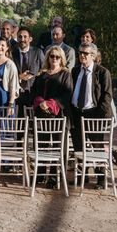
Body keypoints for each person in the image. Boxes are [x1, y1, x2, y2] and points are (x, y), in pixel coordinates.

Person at [70, 42, 114, 189]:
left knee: (97, 147)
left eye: (85, 53)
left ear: (93, 56)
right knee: (78, 147)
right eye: (80, 52)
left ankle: (101, 180)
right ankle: (82, 177)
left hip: (94, 114)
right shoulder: (75, 71)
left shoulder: (102, 72)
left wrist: (99, 115)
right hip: (77, 112)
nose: (82, 55)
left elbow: (107, 96)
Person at [30, 45, 73, 188]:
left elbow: (68, 94)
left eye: (57, 57)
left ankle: (54, 178)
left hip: (57, 116)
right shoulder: (41, 75)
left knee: (57, 147)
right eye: (52, 56)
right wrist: (41, 102)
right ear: (48, 57)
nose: (54, 59)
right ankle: (40, 175)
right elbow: (34, 92)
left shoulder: (66, 74)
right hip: (41, 115)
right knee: (40, 145)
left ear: (62, 59)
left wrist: (51, 103)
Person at [12, 27, 44, 114]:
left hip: (33, 92)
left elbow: (44, 69)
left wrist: (36, 75)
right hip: (16, 93)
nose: (22, 39)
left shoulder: (38, 52)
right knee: (18, 122)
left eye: (25, 37)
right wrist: (19, 77)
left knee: (32, 122)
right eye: (20, 37)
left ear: (30, 39)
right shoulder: (12, 53)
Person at [0, 38, 19, 111]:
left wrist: (10, 104)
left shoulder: (10, 64)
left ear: (7, 48)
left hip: (4, 97)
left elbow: (13, 85)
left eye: (2, 45)